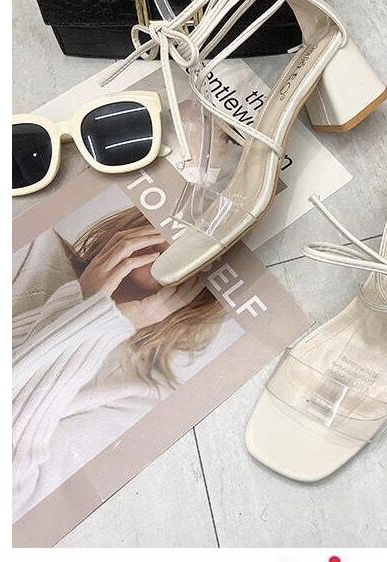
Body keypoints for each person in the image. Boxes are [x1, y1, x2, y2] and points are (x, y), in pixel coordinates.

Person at [12, 207, 232, 521]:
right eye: (191, 216)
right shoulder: (33, 244)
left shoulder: (136, 397)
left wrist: (92, 321)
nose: (185, 237)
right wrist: (84, 308)